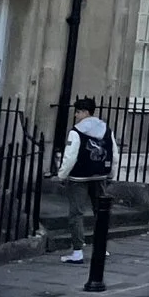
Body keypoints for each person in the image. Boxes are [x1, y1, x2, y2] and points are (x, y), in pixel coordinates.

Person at [52, 97, 113, 264]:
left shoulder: (76, 131)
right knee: (100, 212)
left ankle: (77, 251)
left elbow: (70, 157)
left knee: (76, 214)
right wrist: (110, 173)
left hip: (79, 177)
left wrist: (61, 175)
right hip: (100, 175)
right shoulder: (106, 129)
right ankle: (101, 247)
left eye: (78, 112)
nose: (76, 115)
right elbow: (113, 152)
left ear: (85, 112)